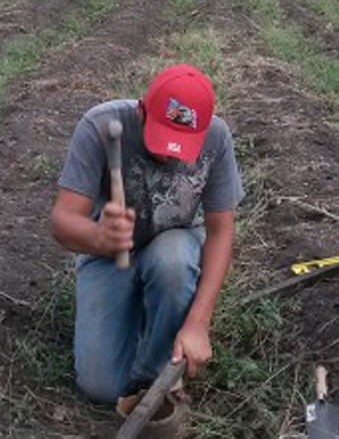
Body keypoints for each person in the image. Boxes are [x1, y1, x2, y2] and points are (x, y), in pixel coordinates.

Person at [50, 64, 244, 404]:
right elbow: (63, 221)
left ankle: (157, 372)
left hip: (175, 245)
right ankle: (139, 314)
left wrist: (199, 321)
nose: (169, 153)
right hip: (109, 257)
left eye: (181, 145)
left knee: (174, 260)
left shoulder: (217, 138)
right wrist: (98, 237)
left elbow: (221, 230)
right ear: (142, 109)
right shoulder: (99, 126)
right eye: (163, 139)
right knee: (100, 388)